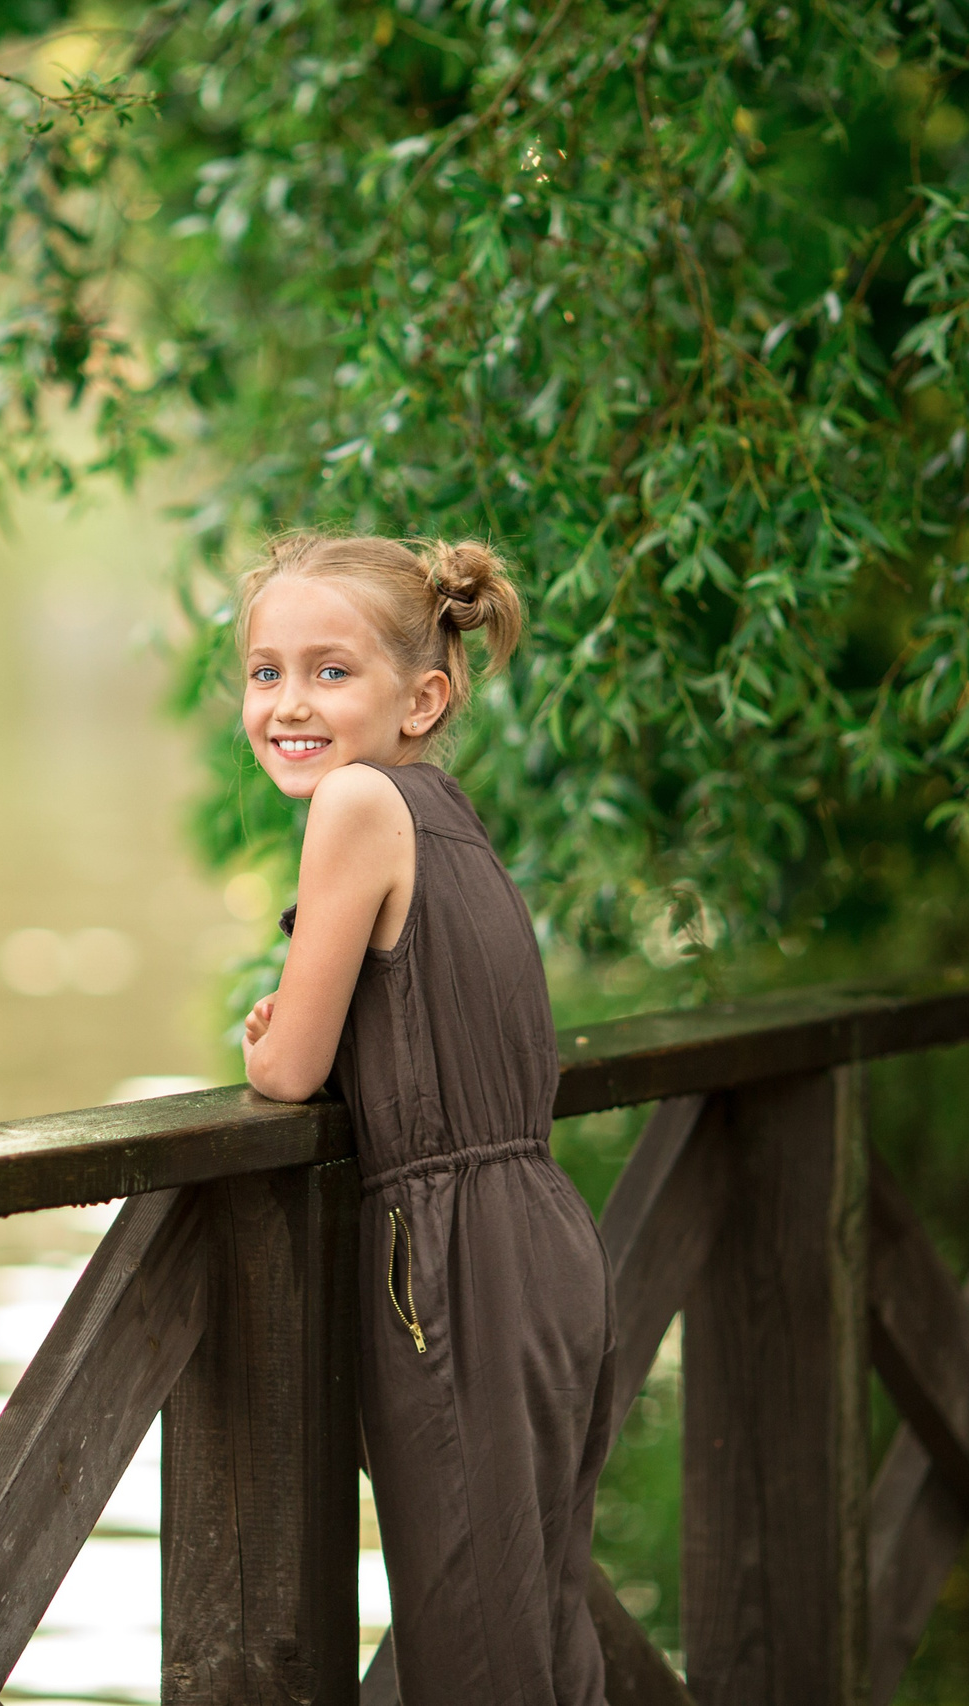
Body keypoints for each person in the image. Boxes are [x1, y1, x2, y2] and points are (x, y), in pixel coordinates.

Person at [237, 531, 615, 1705]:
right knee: (537, 1629)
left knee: (477, 1660)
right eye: (264, 671)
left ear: (424, 695)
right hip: (538, 1233)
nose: (288, 702)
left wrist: (261, 1034)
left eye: (329, 670)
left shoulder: (353, 801)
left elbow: (288, 1070)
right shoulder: (443, 813)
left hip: (455, 1266)